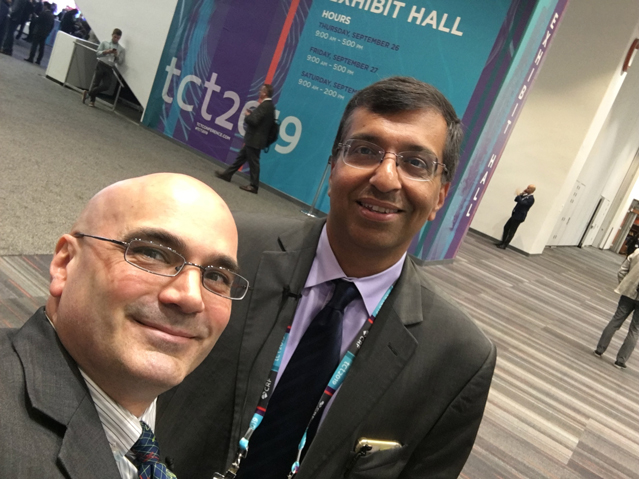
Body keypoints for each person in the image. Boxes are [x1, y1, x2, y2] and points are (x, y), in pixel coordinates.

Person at [158, 77, 497, 479]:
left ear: (440, 194)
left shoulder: (458, 358)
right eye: (365, 151)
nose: (386, 178)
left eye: (415, 163)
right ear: (333, 165)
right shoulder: (227, 253)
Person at [0, 173, 248, 477]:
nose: (190, 297)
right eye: (151, 253)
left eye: (216, 276)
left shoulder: (151, 414)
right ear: (65, 264)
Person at [215, 83, 276, 194]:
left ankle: (254, 186)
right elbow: (261, 121)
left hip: (254, 140)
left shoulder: (264, 106)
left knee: (253, 163)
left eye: (261, 90)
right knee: (241, 158)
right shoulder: (270, 106)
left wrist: (248, 115)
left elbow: (254, 121)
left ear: (265, 93)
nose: (259, 92)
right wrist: (252, 115)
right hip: (256, 140)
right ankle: (227, 174)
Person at [594, 249, 639, 369]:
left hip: (628, 293)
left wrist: (624, 285)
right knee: (635, 330)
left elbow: (622, 271)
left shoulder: (637, 252)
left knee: (616, 320)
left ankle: (599, 350)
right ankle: (620, 361)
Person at [82, 27, 125, 107]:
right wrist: (106, 52)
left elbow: (120, 62)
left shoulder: (121, 49)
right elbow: (97, 53)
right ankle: (92, 101)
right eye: (115, 37)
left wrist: (117, 55)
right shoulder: (105, 43)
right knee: (96, 83)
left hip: (110, 67)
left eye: (118, 38)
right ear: (112, 35)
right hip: (101, 64)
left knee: (107, 85)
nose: (116, 39)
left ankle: (88, 93)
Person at [496, 184, 536, 249]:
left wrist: (518, 195)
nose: (526, 189)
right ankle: (502, 242)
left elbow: (522, 203)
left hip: (519, 217)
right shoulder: (525, 196)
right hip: (515, 214)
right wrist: (521, 194)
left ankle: (505, 245)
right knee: (506, 227)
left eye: (528, 188)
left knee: (512, 231)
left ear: (531, 190)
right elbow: (516, 200)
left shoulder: (531, 199)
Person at [23, 0, 53, 65]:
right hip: (45, 33)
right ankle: (38, 60)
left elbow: (37, 21)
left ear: (46, 6)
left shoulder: (43, 13)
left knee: (34, 45)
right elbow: (52, 26)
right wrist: (48, 32)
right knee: (41, 47)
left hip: (38, 32)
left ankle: (31, 58)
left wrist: (34, 17)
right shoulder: (51, 15)